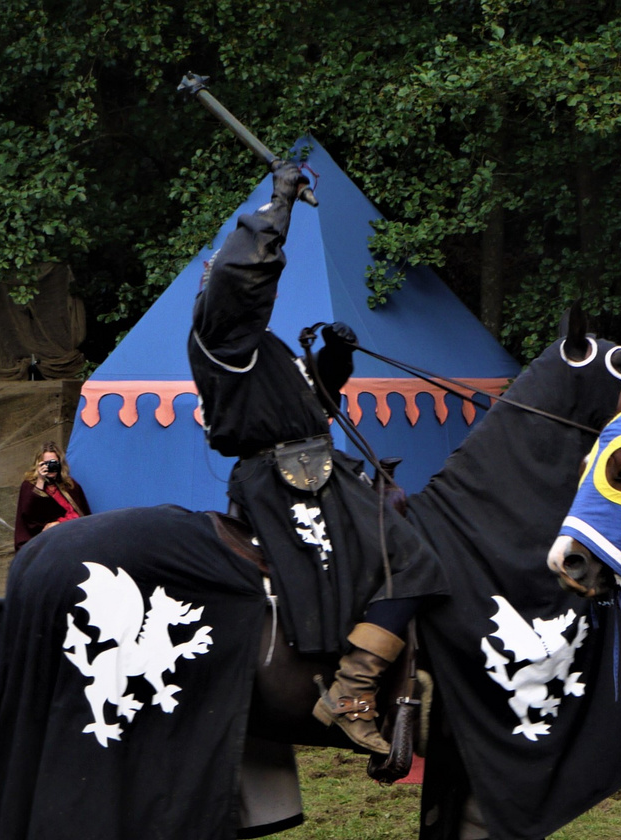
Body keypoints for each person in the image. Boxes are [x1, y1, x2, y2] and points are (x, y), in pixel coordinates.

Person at [187, 160, 447, 757]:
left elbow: (312, 409)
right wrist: (276, 204)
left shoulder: (259, 349)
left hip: (313, 470)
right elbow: (240, 272)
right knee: (414, 561)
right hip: (285, 483)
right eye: (231, 280)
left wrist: (333, 361)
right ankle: (352, 693)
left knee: (408, 537)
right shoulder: (218, 331)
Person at [15, 442, 91, 552]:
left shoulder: (69, 485)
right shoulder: (29, 486)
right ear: (39, 464)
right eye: (46, 463)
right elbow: (29, 516)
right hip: (41, 542)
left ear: (60, 463)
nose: (50, 467)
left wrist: (58, 523)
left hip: (69, 537)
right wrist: (40, 481)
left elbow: (81, 515)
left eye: (53, 463)